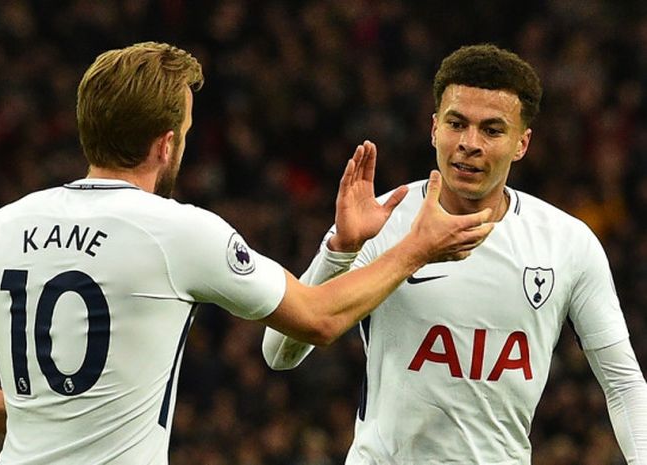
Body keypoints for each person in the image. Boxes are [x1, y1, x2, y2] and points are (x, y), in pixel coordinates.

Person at [0, 42, 494, 465]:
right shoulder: (176, 232)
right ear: (167, 144)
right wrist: (416, 248)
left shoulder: (1, 228)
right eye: (184, 130)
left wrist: (8, 410)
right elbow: (320, 320)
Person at [262, 43, 647, 464]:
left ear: (522, 143)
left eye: (492, 130)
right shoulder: (380, 220)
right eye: (456, 123)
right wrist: (341, 250)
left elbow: (624, 384)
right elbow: (278, 353)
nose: (470, 143)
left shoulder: (566, 242)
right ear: (433, 129)